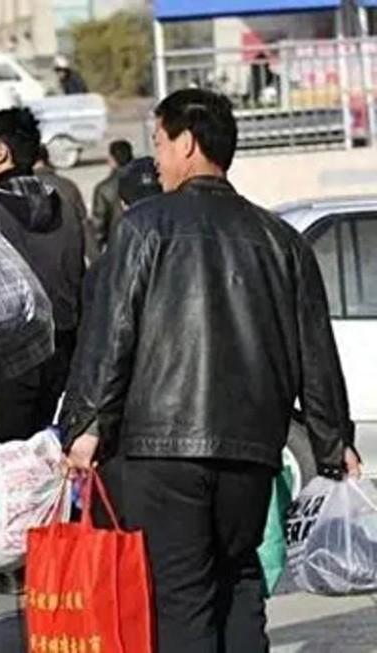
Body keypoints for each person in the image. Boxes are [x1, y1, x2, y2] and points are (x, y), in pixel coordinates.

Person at [62, 89, 361, 653]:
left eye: (159, 142)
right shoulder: (280, 240)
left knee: (182, 597)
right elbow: (315, 353)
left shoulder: (144, 227)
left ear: (188, 144)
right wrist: (332, 441)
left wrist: (85, 425)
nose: (156, 159)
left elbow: (111, 335)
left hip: (161, 452)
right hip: (250, 452)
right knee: (241, 581)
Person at [0, 107, 85, 594]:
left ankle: (19, 565)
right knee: (51, 456)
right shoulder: (63, 200)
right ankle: (56, 558)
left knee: (12, 461)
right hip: (63, 346)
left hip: (12, 353)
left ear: (1, 151)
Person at [89, 139, 134, 258]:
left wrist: (97, 255)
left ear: (112, 160)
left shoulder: (104, 188)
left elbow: (98, 226)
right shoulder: (144, 182)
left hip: (117, 246)